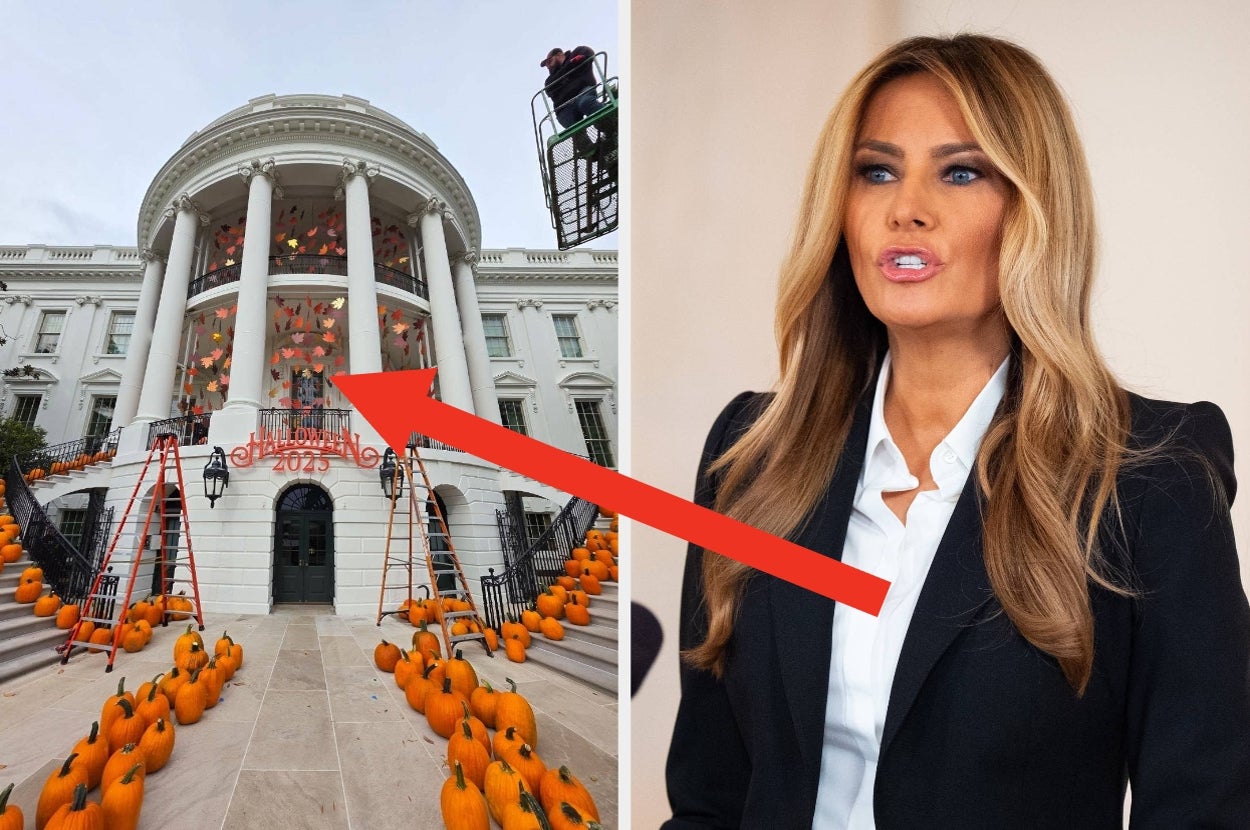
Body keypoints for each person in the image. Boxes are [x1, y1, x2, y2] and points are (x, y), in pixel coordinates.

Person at [663, 34, 1250, 829]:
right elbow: (708, 798)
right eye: (877, 171)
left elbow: (1203, 809)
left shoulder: (1152, 478)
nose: (906, 207)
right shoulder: (751, 458)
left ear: (1034, 209)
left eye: (960, 171)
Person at [540, 46, 602, 132]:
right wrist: (572, 67)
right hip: (563, 106)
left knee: (586, 102)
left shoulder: (578, 51)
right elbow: (549, 90)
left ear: (559, 54)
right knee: (569, 123)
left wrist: (561, 80)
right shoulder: (550, 80)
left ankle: (610, 123)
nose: (548, 66)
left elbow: (588, 54)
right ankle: (585, 144)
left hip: (583, 91)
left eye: (549, 61)